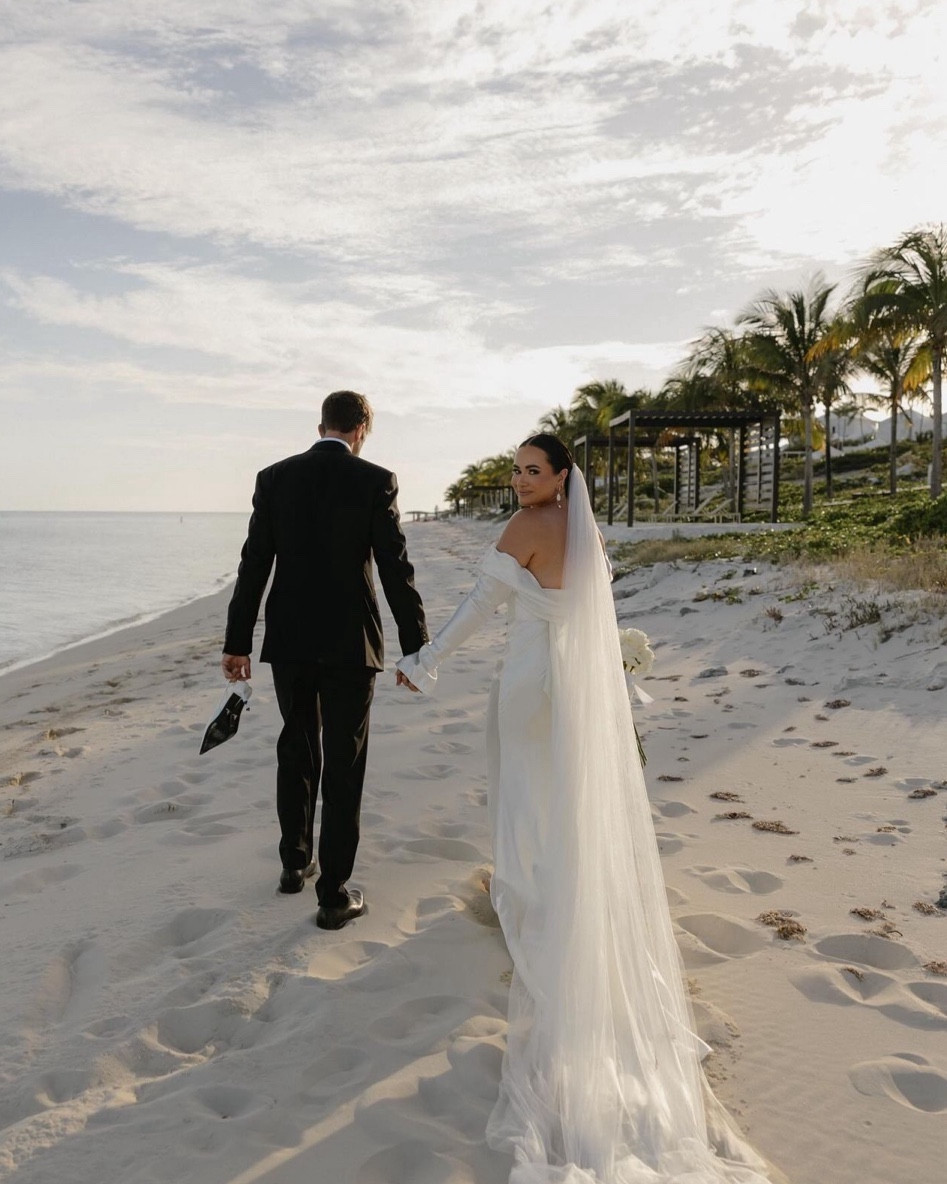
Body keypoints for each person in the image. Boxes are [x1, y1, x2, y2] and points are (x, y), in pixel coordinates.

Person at [397, 435, 775, 1184]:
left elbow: (478, 609)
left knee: (523, 794)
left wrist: (423, 661)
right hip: (575, 686)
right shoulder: (584, 531)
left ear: (562, 476)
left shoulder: (524, 530)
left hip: (532, 678)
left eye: (532, 471)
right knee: (561, 795)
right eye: (514, 469)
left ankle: (532, 899)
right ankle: (559, 892)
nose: (518, 481)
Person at [222, 390, 428, 929]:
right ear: (362, 428)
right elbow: (394, 568)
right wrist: (418, 644)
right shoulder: (375, 480)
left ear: (321, 427)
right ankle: (333, 895)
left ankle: (294, 865)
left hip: (288, 640)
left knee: (296, 745)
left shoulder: (274, 478)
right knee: (344, 761)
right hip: (351, 644)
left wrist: (237, 641)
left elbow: (253, 566)